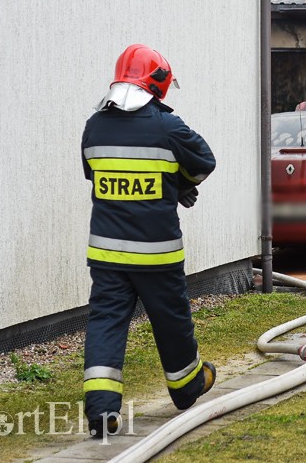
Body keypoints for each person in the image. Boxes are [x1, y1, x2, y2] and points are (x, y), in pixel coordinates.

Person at [80, 44, 217, 437]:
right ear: (158, 82)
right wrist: (177, 185)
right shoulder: (168, 126)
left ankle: (102, 412)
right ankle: (186, 386)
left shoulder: (94, 126)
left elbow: (95, 174)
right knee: (171, 321)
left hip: (106, 254)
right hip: (157, 255)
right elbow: (204, 162)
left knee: (106, 323)